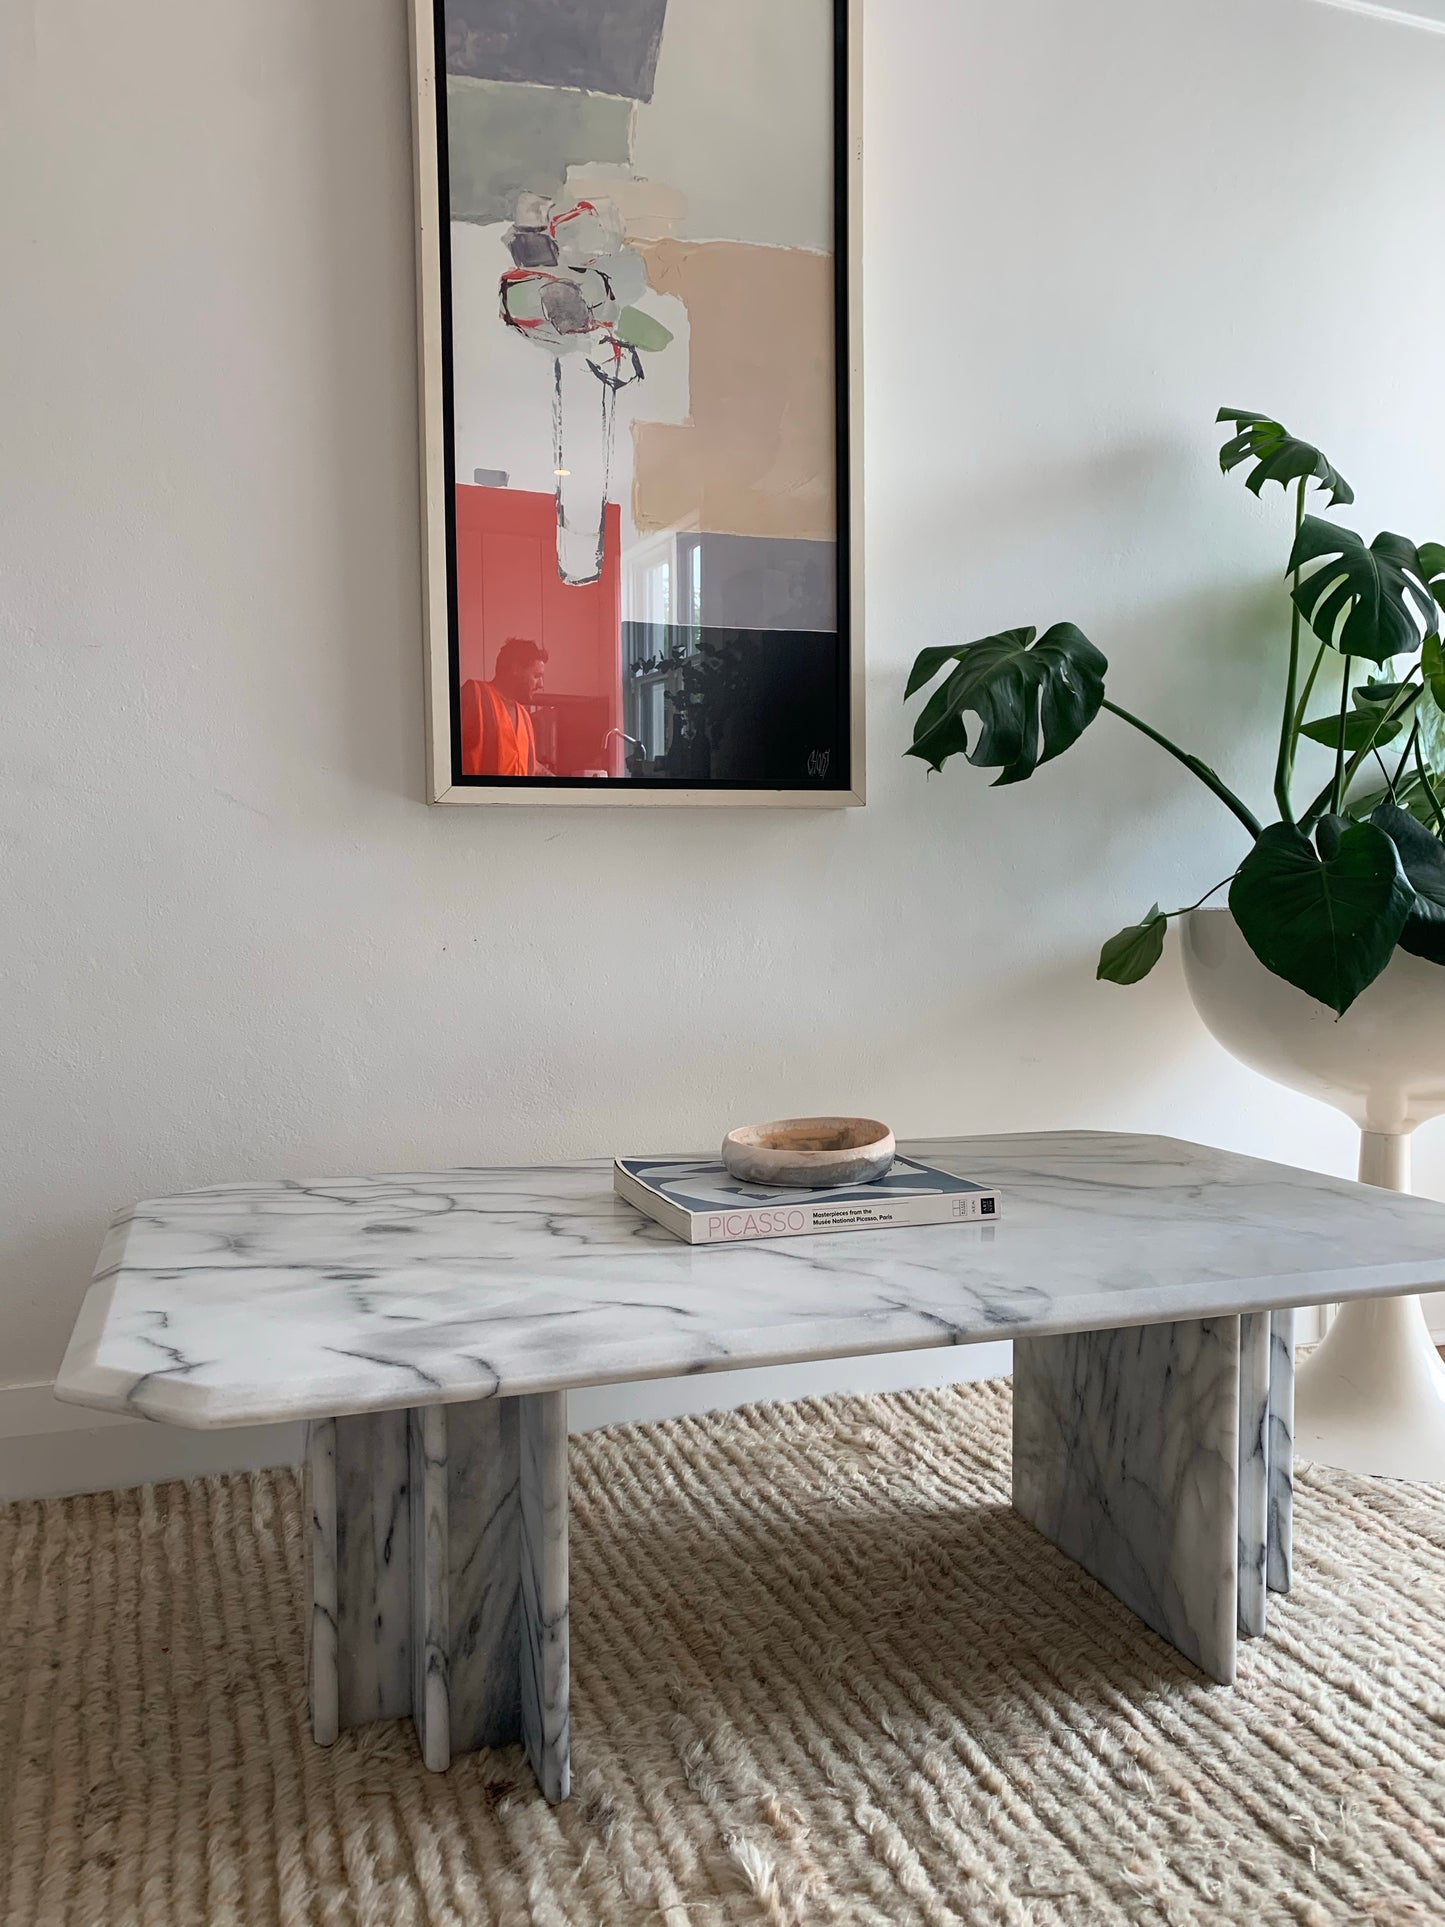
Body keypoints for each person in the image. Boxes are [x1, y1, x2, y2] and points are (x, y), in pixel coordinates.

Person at [460, 637, 548, 776]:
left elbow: (527, 763)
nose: (541, 684)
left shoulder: (525, 716)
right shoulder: (474, 694)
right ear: (516, 669)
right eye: (537, 676)